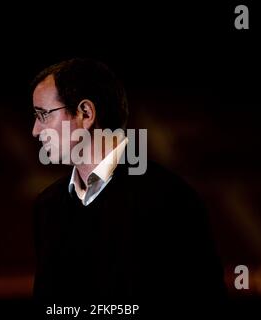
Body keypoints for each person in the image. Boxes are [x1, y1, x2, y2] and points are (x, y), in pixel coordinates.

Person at [30, 58, 226, 310]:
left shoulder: (170, 198)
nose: (35, 130)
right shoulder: (47, 206)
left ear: (86, 113)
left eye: (43, 114)